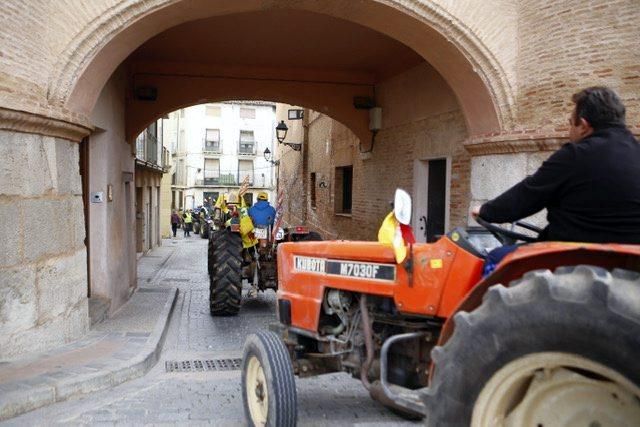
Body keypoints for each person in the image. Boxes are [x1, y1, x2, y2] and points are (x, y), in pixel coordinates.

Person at [473, 86, 640, 273]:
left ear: (583, 125)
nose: (569, 130)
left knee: (495, 258)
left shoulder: (576, 155)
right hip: (630, 263)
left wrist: (486, 211)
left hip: (572, 258)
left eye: (571, 123)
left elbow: (527, 195)